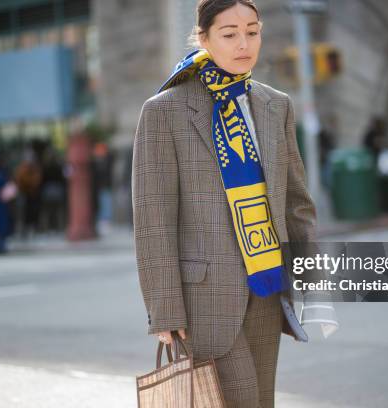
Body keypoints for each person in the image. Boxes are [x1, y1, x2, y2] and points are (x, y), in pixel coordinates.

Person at [132, 1, 319, 406]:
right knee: (241, 398)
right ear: (203, 38)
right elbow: (153, 220)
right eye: (229, 33)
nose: (244, 43)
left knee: (261, 400)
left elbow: (296, 202)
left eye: (252, 31)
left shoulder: (275, 105)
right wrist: (164, 310)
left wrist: (308, 276)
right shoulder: (164, 111)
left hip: (268, 286)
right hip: (204, 297)